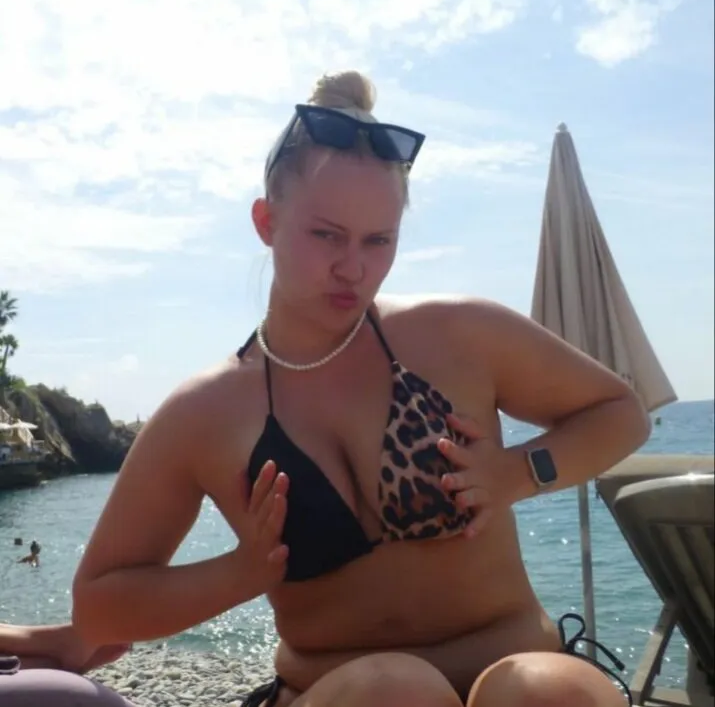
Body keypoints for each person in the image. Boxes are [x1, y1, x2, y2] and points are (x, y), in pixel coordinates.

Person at [0, 70, 651, 706]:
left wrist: (518, 472)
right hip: (336, 689)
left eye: (379, 240)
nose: (353, 267)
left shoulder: (460, 335)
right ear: (265, 221)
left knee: (546, 689)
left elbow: (620, 411)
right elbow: (101, 604)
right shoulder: (207, 410)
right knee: (396, 690)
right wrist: (239, 573)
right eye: (326, 235)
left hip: (511, 661)